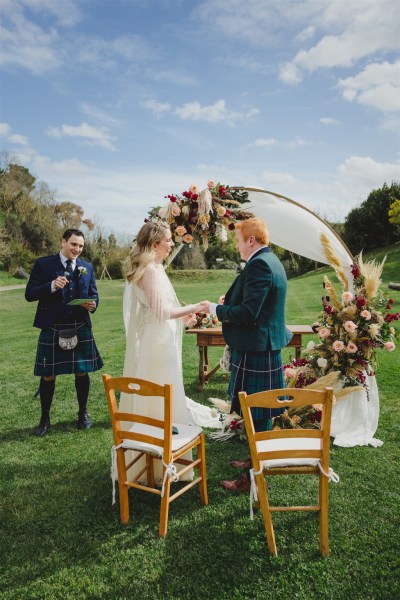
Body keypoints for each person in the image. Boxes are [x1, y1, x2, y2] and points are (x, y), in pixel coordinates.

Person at [121, 221, 220, 482]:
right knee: (162, 390)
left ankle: (155, 455)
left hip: (156, 336)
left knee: (159, 389)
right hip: (158, 343)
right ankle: (159, 456)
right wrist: (195, 307)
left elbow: (158, 309)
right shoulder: (151, 271)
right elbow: (161, 312)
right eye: (168, 240)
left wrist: (181, 318)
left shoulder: (152, 268)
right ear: (155, 244)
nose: (172, 244)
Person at [203, 217, 293, 492]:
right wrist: (229, 302)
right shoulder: (270, 261)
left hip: (257, 347)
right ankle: (254, 458)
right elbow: (255, 304)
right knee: (256, 410)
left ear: (251, 240)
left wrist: (215, 310)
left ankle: (253, 476)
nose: (238, 246)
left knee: (258, 411)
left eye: (239, 240)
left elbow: (248, 313)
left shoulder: (260, 265)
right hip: (260, 345)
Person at [25, 228, 103, 436]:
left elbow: (94, 296)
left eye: (80, 246)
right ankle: (44, 419)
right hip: (52, 326)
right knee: (48, 375)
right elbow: (29, 294)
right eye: (73, 244)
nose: (77, 249)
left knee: (82, 371)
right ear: (63, 242)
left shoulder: (86, 267)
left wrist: (92, 305)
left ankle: (83, 414)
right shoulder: (44, 264)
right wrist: (50, 285)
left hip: (79, 326)